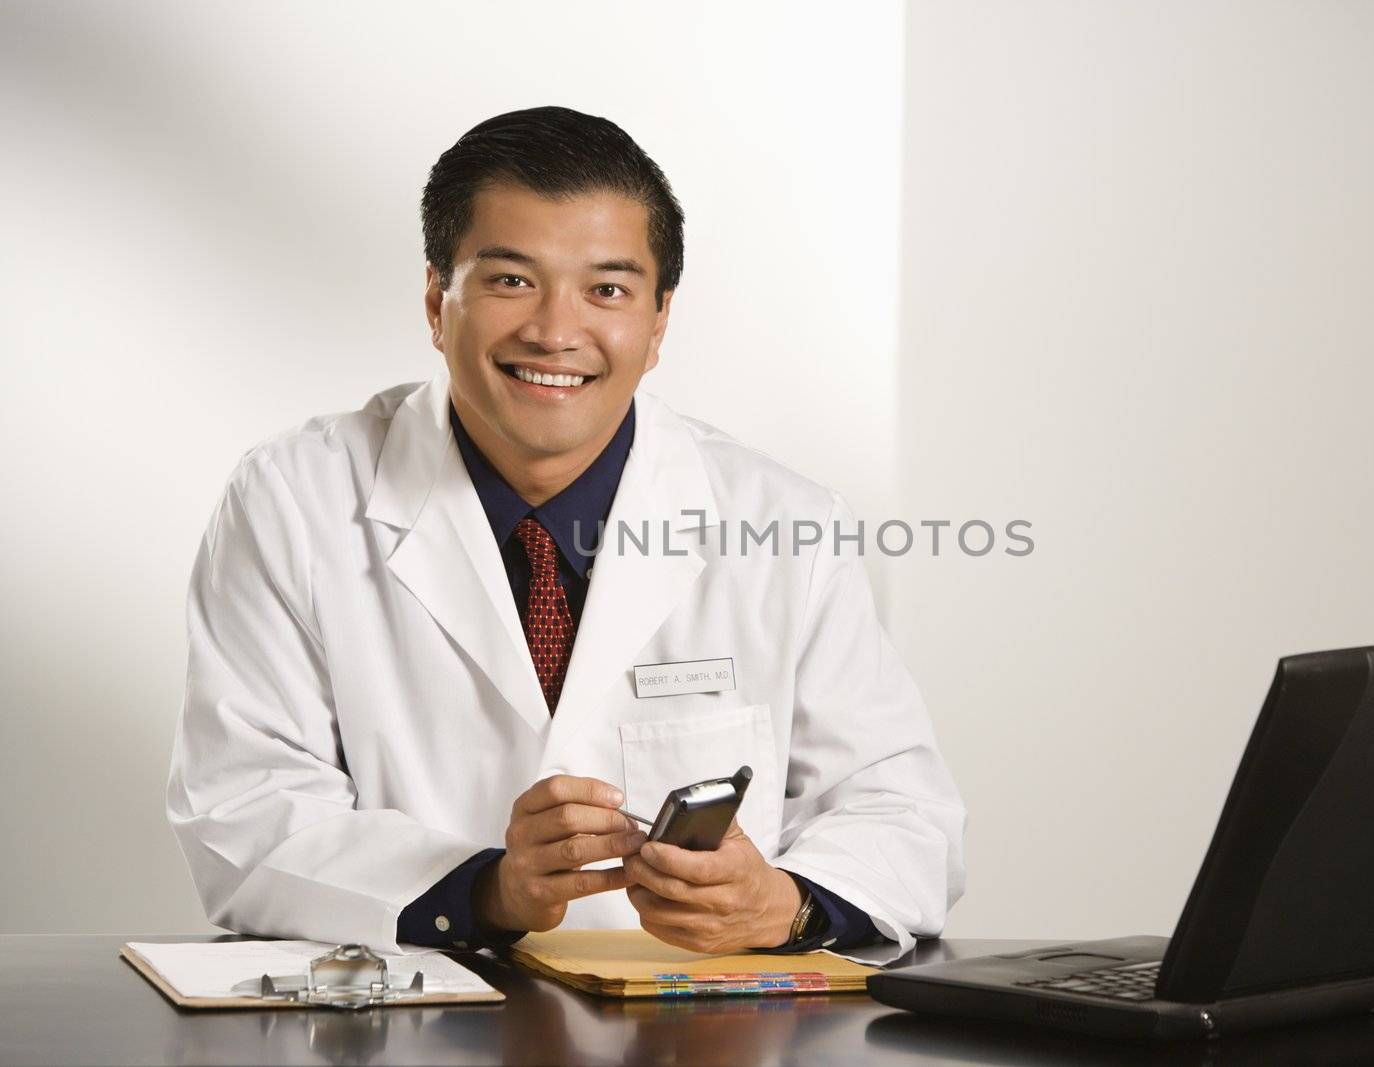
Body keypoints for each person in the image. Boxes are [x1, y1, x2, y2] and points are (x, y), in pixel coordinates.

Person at [166, 106, 965, 957]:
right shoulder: (294, 498)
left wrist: (784, 905)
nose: (554, 330)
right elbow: (241, 811)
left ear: (658, 323)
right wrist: (488, 888)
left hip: (702, 1032)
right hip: (414, 1022)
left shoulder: (785, 522)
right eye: (511, 281)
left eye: (608, 290)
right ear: (439, 303)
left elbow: (905, 813)